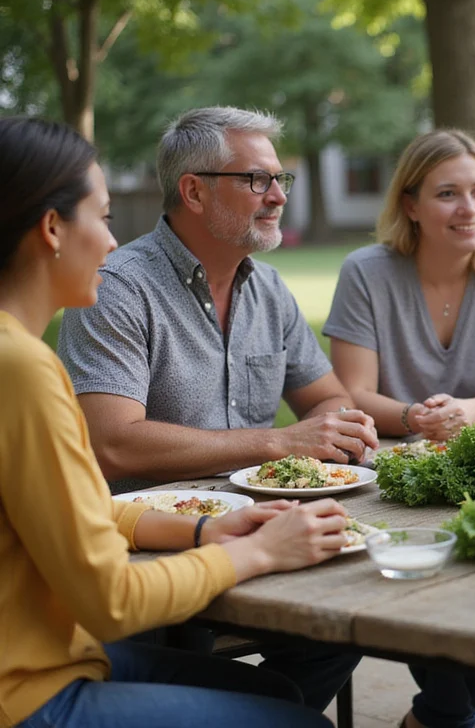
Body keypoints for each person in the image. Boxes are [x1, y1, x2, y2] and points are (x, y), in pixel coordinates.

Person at [0, 116, 353, 727]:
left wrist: (201, 533)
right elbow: (111, 601)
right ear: (53, 229)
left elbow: (71, 505)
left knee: (283, 697)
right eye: (103, 217)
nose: (111, 242)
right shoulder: (24, 367)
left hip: (60, 650)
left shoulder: (20, 355)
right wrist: (256, 553)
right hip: (29, 687)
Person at [57, 107, 378, 493]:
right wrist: (277, 442)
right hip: (146, 536)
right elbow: (110, 445)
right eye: (258, 180)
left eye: (280, 180)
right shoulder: (116, 288)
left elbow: (328, 397)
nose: (278, 197)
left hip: (265, 519)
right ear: (194, 192)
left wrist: (338, 428)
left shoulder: (269, 288)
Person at [325, 129, 475, 441]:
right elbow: (355, 393)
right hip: (388, 457)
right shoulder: (365, 273)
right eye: (448, 194)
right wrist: (418, 418)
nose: (470, 208)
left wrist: (472, 411)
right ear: (411, 207)